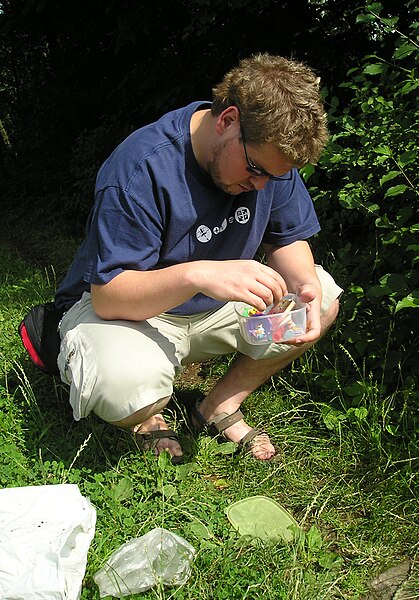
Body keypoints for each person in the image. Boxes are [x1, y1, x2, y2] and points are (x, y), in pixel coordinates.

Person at [54, 53, 343, 463]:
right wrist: (197, 275)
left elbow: (288, 238)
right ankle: (147, 416)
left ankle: (218, 405)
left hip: (213, 309)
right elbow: (109, 296)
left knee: (325, 296)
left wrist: (305, 288)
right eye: (255, 169)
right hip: (129, 313)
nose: (261, 186)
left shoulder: (269, 160)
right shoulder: (141, 166)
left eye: (274, 177)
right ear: (227, 120)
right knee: (122, 383)